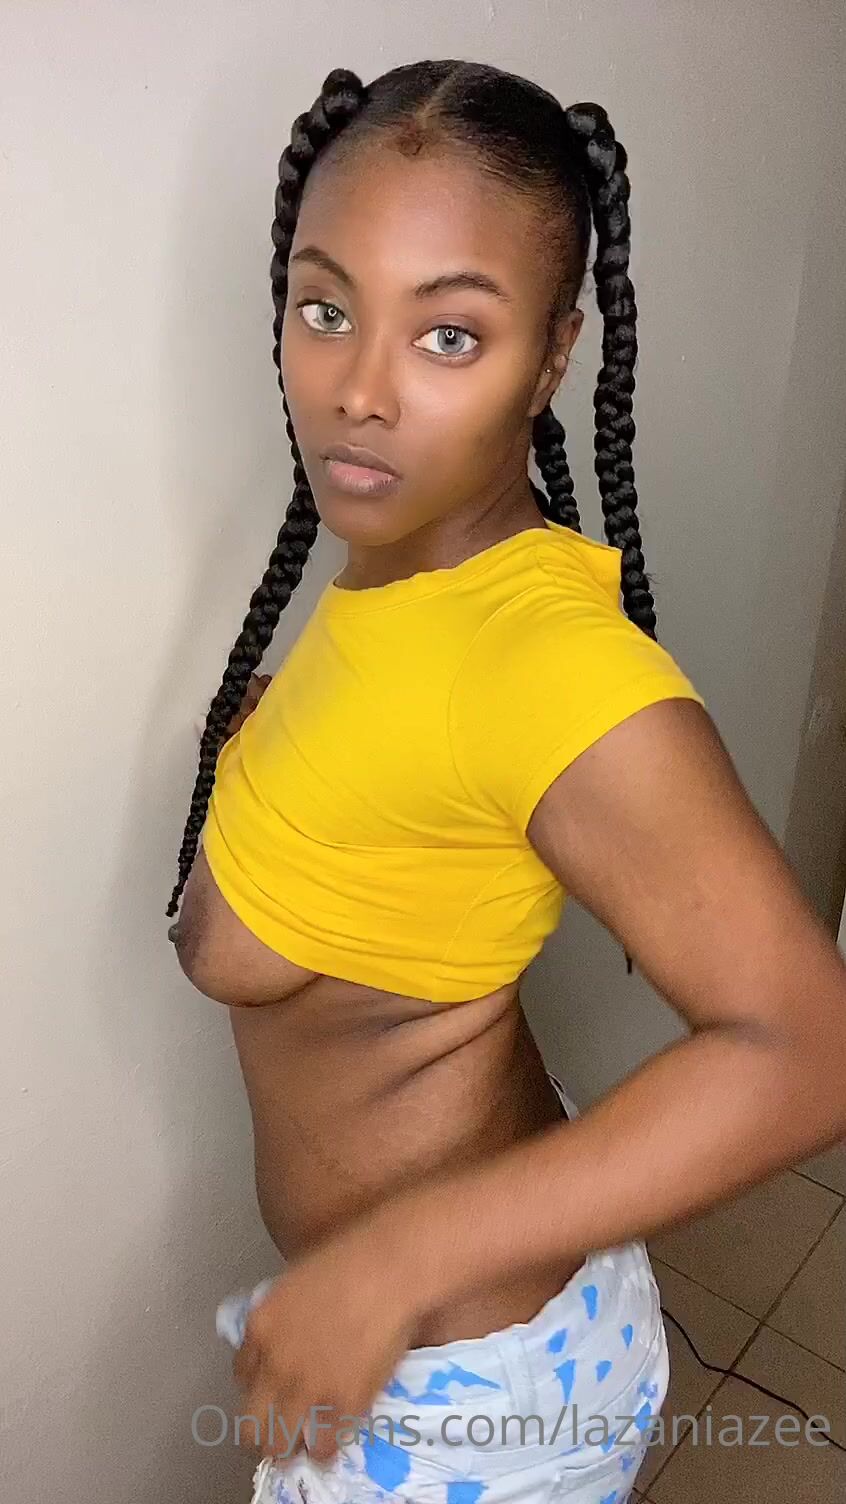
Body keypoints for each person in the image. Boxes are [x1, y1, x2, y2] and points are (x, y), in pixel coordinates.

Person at [167, 61, 846, 1504]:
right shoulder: (409, 566)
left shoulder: (543, 662)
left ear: (550, 360)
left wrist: (395, 1261)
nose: (358, 390)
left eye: (450, 335)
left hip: (466, 1388)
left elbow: (809, 1054)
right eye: (325, 308)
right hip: (476, 1308)